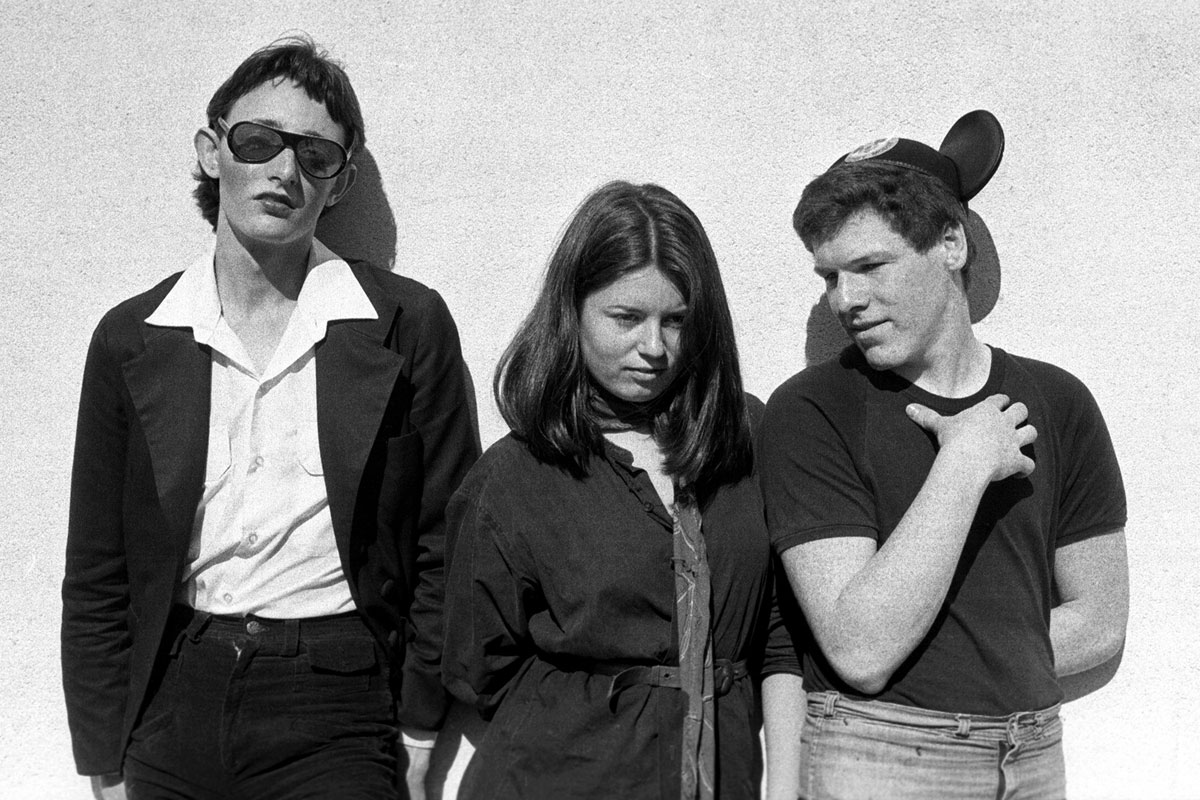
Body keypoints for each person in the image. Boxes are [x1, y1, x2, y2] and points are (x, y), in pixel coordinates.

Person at [61, 36, 478, 800]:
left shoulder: (406, 325)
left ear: (341, 182)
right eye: (258, 141)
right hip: (172, 695)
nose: (285, 170)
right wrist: (103, 758)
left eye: (315, 155)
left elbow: (444, 541)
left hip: (337, 698)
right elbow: (98, 570)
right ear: (211, 150)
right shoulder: (131, 339)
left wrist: (420, 724)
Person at [759, 111, 1129, 799]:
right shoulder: (810, 411)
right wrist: (962, 465)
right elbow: (860, 649)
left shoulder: (1059, 402)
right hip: (879, 752)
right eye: (830, 276)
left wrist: (961, 658)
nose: (846, 300)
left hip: (1031, 752)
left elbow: (1100, 619)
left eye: (871, 266)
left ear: (951, 243)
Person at [442, 181, 776, 799]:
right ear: (572, 311)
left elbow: (776, 626)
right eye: (626, 318)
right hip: (561, 778)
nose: (654, 348)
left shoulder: (744, 440)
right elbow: (477, 666)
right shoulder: (515, 476)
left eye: (676, 321)